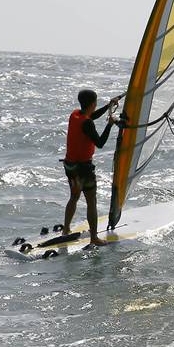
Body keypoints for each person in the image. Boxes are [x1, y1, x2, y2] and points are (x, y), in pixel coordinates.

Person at [62, 89, 119, 245]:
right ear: (93, 104)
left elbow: (91, 116)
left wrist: (108, 106)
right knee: (91, 200)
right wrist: (110, 125)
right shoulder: (87, 122)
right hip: (83, 169)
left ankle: (66, 229)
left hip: (70, 166)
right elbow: (100, 143)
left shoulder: (75, 115)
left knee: (74, 197)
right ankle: (94, 238)